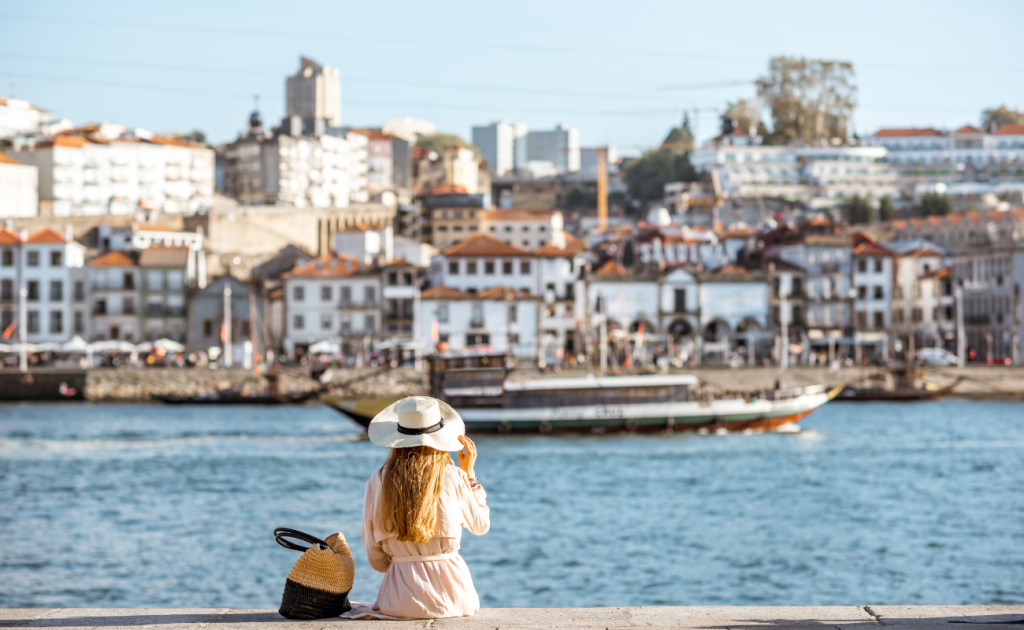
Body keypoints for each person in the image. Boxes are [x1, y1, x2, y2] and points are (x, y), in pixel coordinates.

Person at [352, 396, 489, 619]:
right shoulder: (455, 476)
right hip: (454, 599)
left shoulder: (376, 481)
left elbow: (376, 560)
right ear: (440, 438)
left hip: (397, 600)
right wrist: (470, 475)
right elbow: (481, 526)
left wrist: (406, 566)